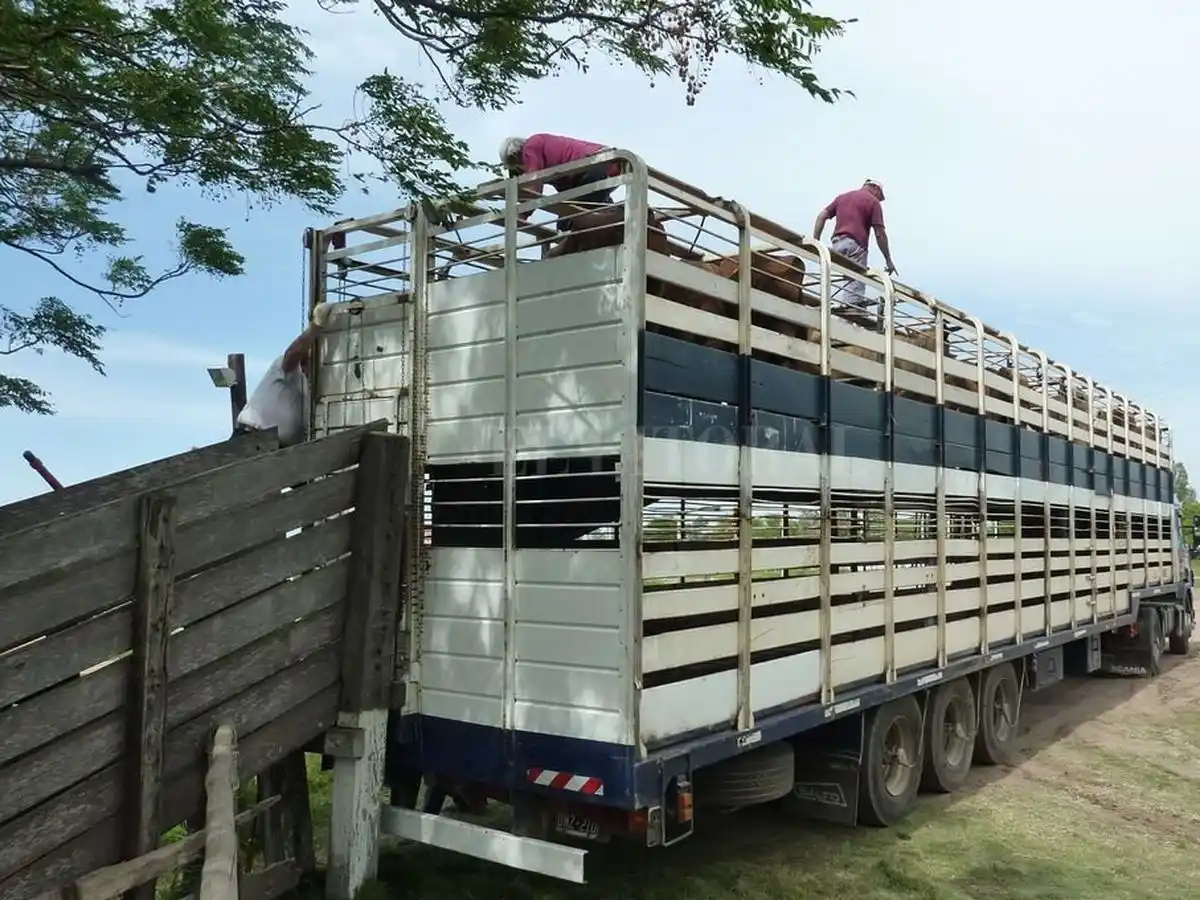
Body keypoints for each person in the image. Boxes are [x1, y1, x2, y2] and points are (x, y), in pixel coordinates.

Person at [233, 301, 331, 446]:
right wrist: (315, 327)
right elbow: (293, 353)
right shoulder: (286, 367)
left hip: (279, 449)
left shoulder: (315, 388)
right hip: (252, 439)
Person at [499, 134, 619, 230]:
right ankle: (616, 215)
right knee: (595, 211)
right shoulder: (551, 163)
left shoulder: (531, 146)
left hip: (594, 166)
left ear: (515, 157)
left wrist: (523, 214)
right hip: (608, 165)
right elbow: (568, 196)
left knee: (565, 222)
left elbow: (534, 183)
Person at [812, 179, 898, 309]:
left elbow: (821, 217)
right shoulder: (872, 202)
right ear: (875, 188)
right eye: (879, 196)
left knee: (844, 278)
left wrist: (816, 242)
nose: (879, 199)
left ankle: (836, 307)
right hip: (855, 245)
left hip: (837, 244)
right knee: (856, 281)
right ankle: (851, 312)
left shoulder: (842, 198)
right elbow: (880, 233)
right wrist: (888, 260)